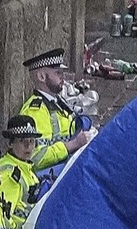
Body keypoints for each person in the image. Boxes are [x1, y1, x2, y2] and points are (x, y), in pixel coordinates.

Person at [17, 50, 94, 189]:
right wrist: (73, 144)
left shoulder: (57, 102)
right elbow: (36, 157)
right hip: (48, 181)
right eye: (57, 73)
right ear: (41, 76)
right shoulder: (35, 110)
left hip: (62, 173)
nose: (62, 77)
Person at [0, 116, 60, 229]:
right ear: (10, 143)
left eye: (31, 141)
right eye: (22, 141)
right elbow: (3, 216)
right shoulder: (10, 174)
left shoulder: (26, 167)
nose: (28, 146)